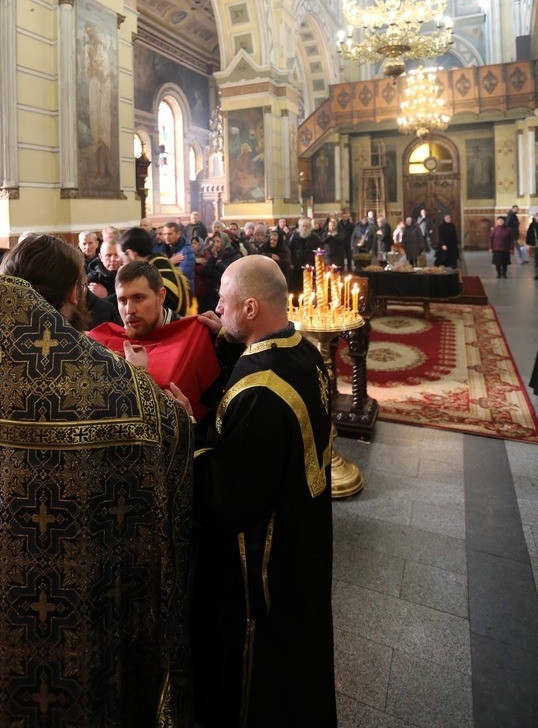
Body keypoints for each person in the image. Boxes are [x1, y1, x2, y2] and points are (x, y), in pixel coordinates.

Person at [0, 235, 193, 724]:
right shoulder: (97, 377)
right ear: (73, 291)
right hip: (59, 609)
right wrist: (168, 406)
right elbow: (167, 432)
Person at [189, 256, 336, 727]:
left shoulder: (261, 389)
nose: (216, 309)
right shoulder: (304, 350)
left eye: (224, 302)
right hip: (305, 535)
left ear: (250, 308)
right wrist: (226, 342)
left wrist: (184, 429)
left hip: (264, 565)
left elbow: (228, 497)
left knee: (263, 677)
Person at [88, 260, 220, 420]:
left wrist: (223, 341)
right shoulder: (104, 340)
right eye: (122, 301)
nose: (129, 310)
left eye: (138, 298)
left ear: (160, 297)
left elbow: (214, 413)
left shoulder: (193, 339)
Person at [120, 226, 193, 316]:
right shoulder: (161, 262)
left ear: (131, 253)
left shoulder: (149, 276)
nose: (121, 262)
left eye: (122, 256)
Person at [288, 217, 323, 291]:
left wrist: (317, 266)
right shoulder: (295, 236)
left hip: (310, 265)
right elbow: (289, 249)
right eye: (303, 226)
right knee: (297, 286)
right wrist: (290, 263)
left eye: (307, 226)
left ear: (310, 227)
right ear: (300, 226)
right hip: (297, 265)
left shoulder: (315, 237)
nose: (304, 228)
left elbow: (319, 252)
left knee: (309, 285)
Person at [87, 238, 124, 305]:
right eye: (108, 255)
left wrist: (107, 296)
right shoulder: (92, 279)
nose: (113, 259)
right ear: (100, 257)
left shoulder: (129, 275)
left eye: (116, 255)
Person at [161, 220, 196, 289]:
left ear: (178, 234)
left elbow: (184, 273)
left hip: (183, 290)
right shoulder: (162, 249)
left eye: (170, 234)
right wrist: (169, 262)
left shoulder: (187, 251)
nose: (166, 237)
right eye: (164, 234)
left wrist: (167, 264)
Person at [525, 211, 538, 279]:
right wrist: (528, 243)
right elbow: (529, 234)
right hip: (535, 244)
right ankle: (536, 273)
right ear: (535, 217)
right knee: (536, 259)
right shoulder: (532, 225)